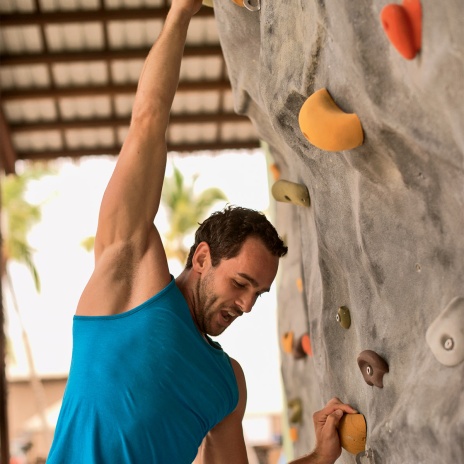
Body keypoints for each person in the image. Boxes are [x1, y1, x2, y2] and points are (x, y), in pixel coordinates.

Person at [46, 0, 357, 462]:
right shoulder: (130, 277)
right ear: (202, 258)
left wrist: (320, 457)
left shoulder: (228, 385)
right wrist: (180, 15)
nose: (247, 305)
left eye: (258, 294)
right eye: (241, 283)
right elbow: (148, 123)